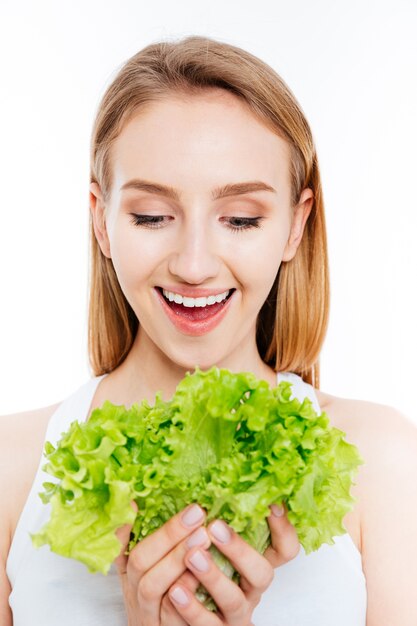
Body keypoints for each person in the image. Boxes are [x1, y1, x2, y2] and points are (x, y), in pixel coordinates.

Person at [1, 35, 417, 626]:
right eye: (152, 216)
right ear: (101, 219)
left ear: (296, 227)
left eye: (241, 219)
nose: (194, 264)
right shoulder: (11, 471)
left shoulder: (382, 463)